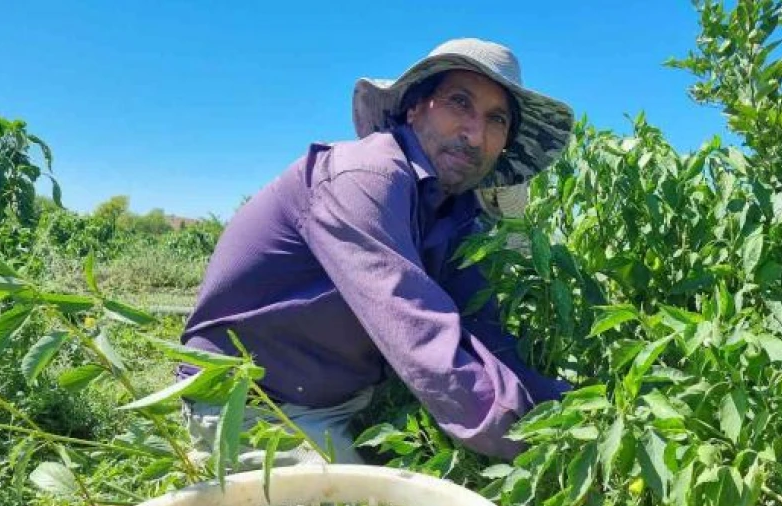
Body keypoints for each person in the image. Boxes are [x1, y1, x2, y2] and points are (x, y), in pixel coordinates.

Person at [178, 38, 574, 468]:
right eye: (459, 103)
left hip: (345, 400)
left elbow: (484, 329)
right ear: (414, 108)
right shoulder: (366, 178)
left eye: (496, 120)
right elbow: (421, 336)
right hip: (251, 403)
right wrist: (541, 440)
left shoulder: (457, 214)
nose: (474, 134)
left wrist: (567, 404)